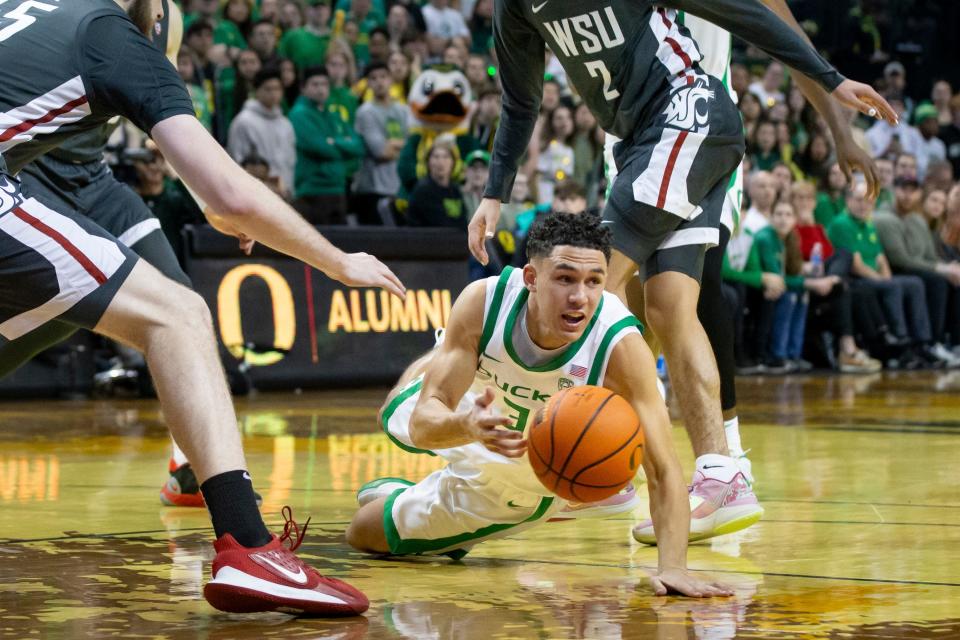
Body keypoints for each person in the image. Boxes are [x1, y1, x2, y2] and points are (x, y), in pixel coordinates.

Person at [0, 0, 405, 614]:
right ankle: (249, 546)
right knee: (177, 314)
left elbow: (214, 192)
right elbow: (228, 195)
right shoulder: (111, 35)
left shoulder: (31, 14)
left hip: (39, 177)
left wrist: (224, 203)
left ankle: (196, 472)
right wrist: (337, 262)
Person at [469, 0, 894, 544]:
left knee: (579, 286)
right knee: (669, 306)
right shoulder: (516, 9)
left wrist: (830, 83)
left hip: (684, 117)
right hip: (648, 137)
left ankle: (524, 469)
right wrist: (493, 193)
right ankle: (722, 478)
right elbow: (521, 99)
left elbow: (747, 13)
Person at [347, 212, 735, 597]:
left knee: (363, 534)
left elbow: (664, 471)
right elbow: (422, 424)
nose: (580, 297)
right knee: (394, 415)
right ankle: (442, 353)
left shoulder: (621, 347)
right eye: (565, 279)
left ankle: (409, 500)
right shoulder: (485, 301)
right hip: (474, 407)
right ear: (531, 278)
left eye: (594, 281)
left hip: (528, 470)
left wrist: (673, 568)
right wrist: (466, 424)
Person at [829, 184, 940, 369]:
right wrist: (883, 281)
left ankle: (922, 342)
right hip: (855, 280)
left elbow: (880, 258)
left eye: (868, 201)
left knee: (915, 283)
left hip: (874, 277)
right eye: (858, 200)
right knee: (894, 286)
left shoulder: (868, 222)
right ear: (848, 201)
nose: (864, 205)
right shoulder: (842, 224)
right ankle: (900, 340)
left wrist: (886, 277)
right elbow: (856, 265)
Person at [874, 178, 960, 366]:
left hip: (916, 269)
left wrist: (948, 268)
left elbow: (930, 256)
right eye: (903, 190)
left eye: (912, 191)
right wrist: (943, 269)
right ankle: (932, 342)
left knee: (952, 280)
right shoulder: (891, 219)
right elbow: (904, 260)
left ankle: (954, 342)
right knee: (938, 280)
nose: (907, 195)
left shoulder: (922, 221)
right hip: (898, 270)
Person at [288, 65, 364, 224]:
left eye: (324, 84)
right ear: (303, 88)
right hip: (312, 190)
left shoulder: (334, 115)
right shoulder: (299, 114)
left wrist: (333, 142)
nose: (320, 89)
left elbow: (358, 147)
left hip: (338, 188)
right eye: (315, 84)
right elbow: (319, 148)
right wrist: (342, 146)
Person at [352, 61, 408, 224]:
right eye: (373, 78)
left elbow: (412, 146)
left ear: (391, 80)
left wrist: (393, 144)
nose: (379, 82)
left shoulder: (403, 110)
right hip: (372, 190)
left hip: (398, 188)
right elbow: (382, 152)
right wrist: (401, 145)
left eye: (383, 77)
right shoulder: (365, 112)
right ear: (368, 83)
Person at [227, 67, 297, 198]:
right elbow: (237, 160)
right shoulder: (243, 121)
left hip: (284, 194)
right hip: (257, 196)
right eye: (268, 89)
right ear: (256, 91)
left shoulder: (285, 124)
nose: (273, 94)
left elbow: (290, 161)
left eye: (277, 89)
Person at [406, 142, 467, 229]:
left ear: (453, 163)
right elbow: (441, 224)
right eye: (436, 157)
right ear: (428, 162)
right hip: (426, 239)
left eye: (446, 157)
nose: (440, 162)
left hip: (453, 238)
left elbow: (463, 219)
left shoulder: (455, 189)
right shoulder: (423, 190)